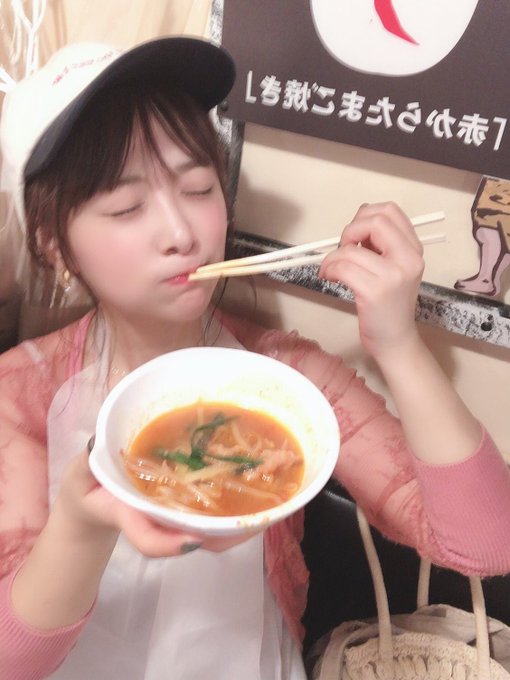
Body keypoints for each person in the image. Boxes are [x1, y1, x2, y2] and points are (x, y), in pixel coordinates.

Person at [0, 36, 509, 680]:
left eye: (197, 188)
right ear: (53, 244)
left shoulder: (288, 375)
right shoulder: (20, 395)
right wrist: (80, 524)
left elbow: (484, 544)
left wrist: (398, 342)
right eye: (127, 207)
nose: (181, 234)